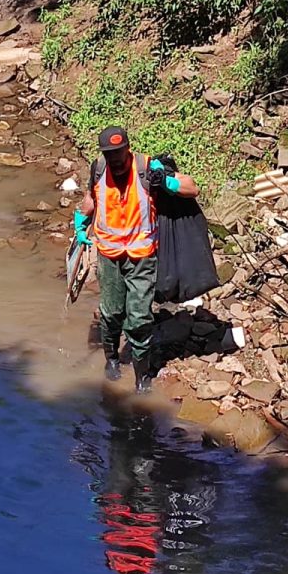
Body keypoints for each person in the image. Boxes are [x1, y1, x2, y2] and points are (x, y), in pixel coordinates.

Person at [74, 126, 199, 392]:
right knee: (110, 313)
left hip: (142, 257)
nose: (115, 161)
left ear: (128, 149)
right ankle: (111, 360)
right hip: (109, 257)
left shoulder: (147, 168)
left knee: (139, 318)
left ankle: (142, 376)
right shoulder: (98, 169)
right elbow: (91, 198)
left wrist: (168, 182)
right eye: (110, 156)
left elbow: (192, 188)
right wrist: (80, 221)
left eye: (119, 154)